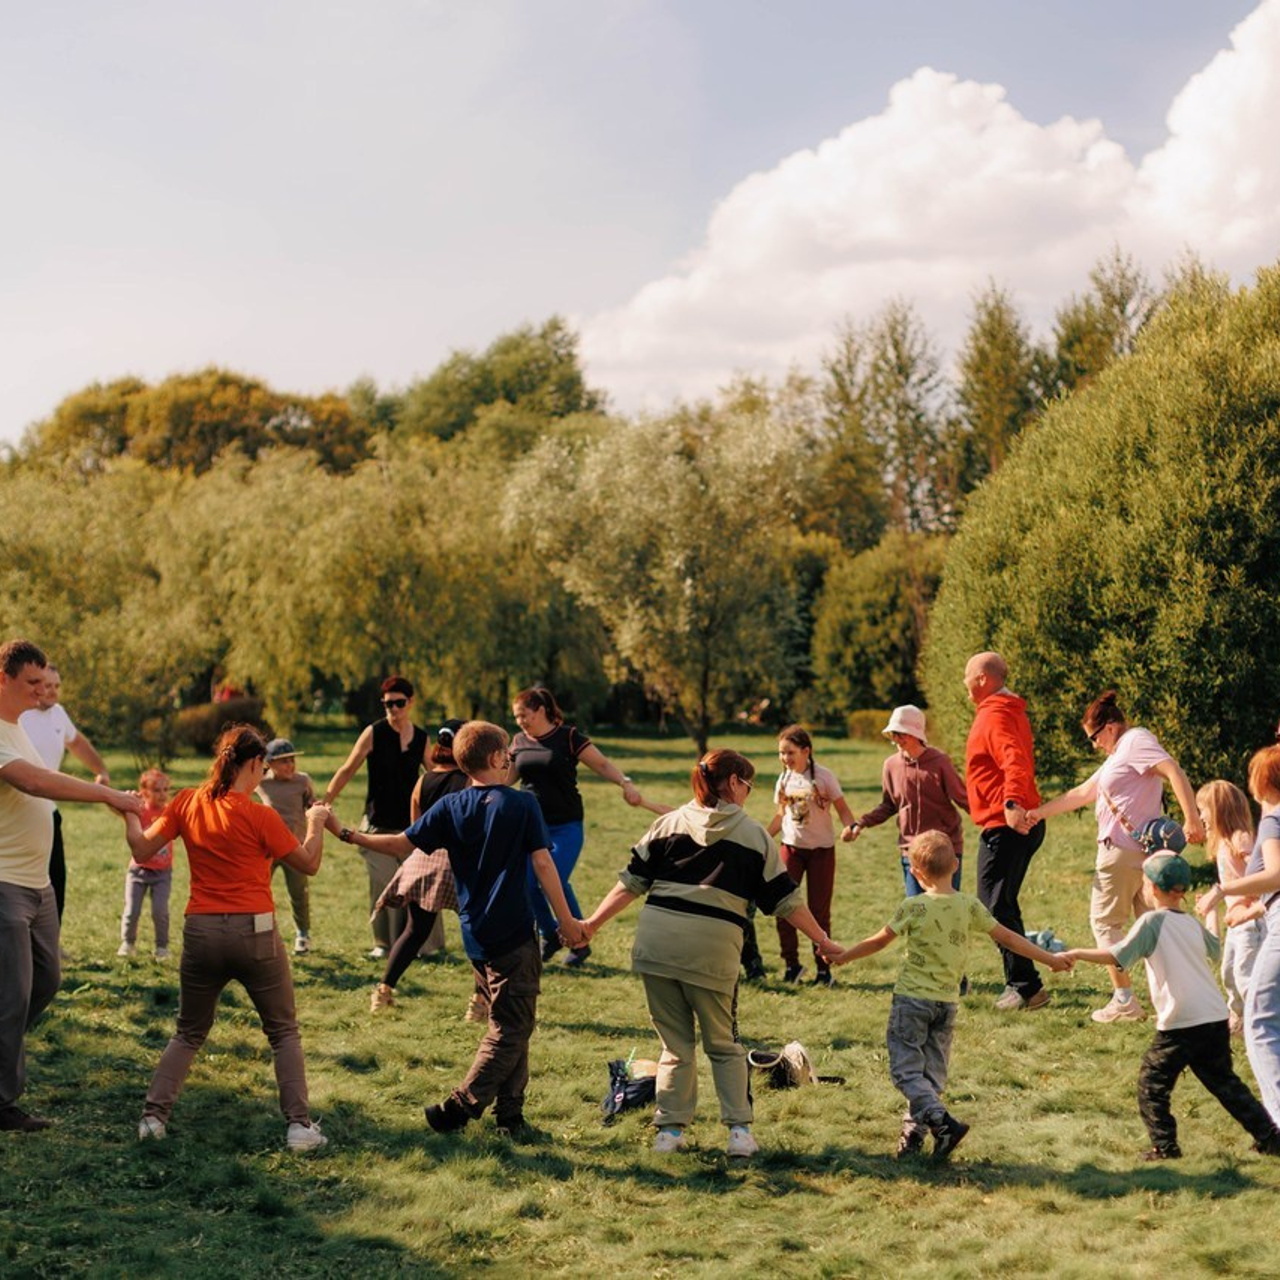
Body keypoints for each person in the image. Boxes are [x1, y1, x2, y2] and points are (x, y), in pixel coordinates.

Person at [580, 749, 841, 1159]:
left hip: (657, 946)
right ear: (734, 783)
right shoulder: (753, 835)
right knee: (724, 1045)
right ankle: (739, 1134)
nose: (749, 794)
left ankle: (669, 1134)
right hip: (712, 951)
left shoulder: (667, 824)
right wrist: (823, 941)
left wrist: (591, 924)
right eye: (748, 785)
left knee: (674, 1046)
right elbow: (786, 901)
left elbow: (630, 882)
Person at [334, 721, 583, 1137]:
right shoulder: (522, 804)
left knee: (511, 1021)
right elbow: (543, 864)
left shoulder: (451, 806)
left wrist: (346, 833)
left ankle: (511, 1118)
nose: (511, 758)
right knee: (511, 1028)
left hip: (475, 935)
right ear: (496, 758)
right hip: (512, 934)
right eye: (507, 753)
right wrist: (566, 923)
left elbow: (400, 844)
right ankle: (458, 1107)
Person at [124, 724, 329, 1151]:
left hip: (201, 931)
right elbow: (308, 864)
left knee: (188, 1033)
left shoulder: (187, 801)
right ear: (252, 764)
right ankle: (298, 1127)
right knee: (283, 1032)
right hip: (255, 931)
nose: (263, 776)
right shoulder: (260, 815)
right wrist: (316, 823)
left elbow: (142, 849)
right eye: (263, 768)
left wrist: (128, 810)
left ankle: (152, 1119)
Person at [832, 831, 1070, 1161]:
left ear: (915, 872)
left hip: (911, 1001)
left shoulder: (913, 907)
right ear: (956, 865)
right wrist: (1049, 959)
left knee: (906, 1072)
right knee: (931, 1075)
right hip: (946, 1003)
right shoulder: (969, 906)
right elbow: (1010, 939)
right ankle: (913, 1136)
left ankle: (943, 1123)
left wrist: (844, 956)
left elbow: (879, 941)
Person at [0, 638, 142, 1132]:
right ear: (3, 679)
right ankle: (2, 1103)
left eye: (46, 682)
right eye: (32, 682)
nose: (43, 691)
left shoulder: (18, 727)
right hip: (5, 882)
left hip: (37, 883)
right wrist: (108, 795)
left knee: (47, 980)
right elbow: (34, 783)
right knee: (13, 994)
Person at [1064, 851, 1280, 1161]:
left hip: (1182, 1022)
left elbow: (1116, 955)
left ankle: (1165, 1148)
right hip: (1214, 1017)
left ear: (1152, 887)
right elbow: (1214, 948)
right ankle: (1270, 1138)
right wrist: (1211, 911)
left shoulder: (1152, 922)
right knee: (1226, 1085)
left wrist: (1077, 953)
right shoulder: (1189, 922)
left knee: (1151, 1085)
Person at [1027, 690, 1204, 1024]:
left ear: (1110, 727)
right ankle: (1177, 999)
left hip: (1120, 854)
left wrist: (1191, 818)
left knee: (1106, 924)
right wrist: (1038, 814)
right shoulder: (1119, 757)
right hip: (1142, 855)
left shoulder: (1135, 741)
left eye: (1094, 738)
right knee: (1154, 928)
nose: (1094, 745)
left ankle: (1125, 1001)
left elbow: (1173, 770)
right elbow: (1082, 793)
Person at [508, 686, 640, 967]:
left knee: (552, 879)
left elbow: (601, 765)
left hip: (566, 824)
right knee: (528, 884)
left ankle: (579, 940)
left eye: (523, 715)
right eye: (516, 717)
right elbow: (505, 778)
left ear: (540, 710)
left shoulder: (567, 737)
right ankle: (551, 935)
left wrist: (625, 783)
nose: (520, 721)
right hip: (532, 825)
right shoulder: (518, 742)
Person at [963, 651, 1049, 1012]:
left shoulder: (996, 714)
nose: (965, 683)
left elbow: (1014, 760)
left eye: (967, 676)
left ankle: (1025, 987)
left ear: (983, 678)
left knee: (995, 906)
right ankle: (1026, 986)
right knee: (1000, 904)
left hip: (1008, 823)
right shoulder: (1005, 711)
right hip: (1009, 821)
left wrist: (1011, 803)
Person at [369, 719, 470, 1014]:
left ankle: (383, 991)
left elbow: (416, 828)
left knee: (415, 931)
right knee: (476, 932)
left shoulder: (423, 781)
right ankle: (479, 1002)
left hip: (423, 862)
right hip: (458, 864)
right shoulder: (470, 781)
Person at [323, 676, 427, 959]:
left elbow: (434, 774)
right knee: (383, 882)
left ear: (410, 702)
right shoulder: (374, 733)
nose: (393, 708)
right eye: (388, 704)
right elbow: (348, 769)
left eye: (399, 703)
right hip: (378, 822)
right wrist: (326, 801)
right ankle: (382, 943)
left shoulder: (421, 738)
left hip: (410, 826)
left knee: (413, 884)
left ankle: (414, 944)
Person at [19, 664, 111, 923]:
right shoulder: (18, 715)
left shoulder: (58, 714)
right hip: (16, 815)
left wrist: (101, 769)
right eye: (47, 685)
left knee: (55, 882)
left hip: (48, 814)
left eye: (57, 686)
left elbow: (76, 742)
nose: (53, 691)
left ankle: (50, 939)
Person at [845, 704, 969, 895]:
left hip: (944, 850)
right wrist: (861, 823)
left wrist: (992, 821)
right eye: (894, 734)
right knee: (916, 910)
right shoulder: (891, 765)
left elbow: (963, 797)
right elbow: (888, 805)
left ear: (916, 733)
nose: (897, 739)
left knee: (945, 909)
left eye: (902, 733)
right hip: (911, 851)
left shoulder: (940, 761)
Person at [765, 725, 855, 986]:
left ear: (806, 751)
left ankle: (823, 971)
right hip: (791, 849)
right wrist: (762, 838)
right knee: (783, 906)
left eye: (790, 752)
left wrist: (851, 828)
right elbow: (780, 816)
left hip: (821, 852)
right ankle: (792, 966)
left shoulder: (824, 777)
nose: (785, 758)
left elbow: (843, 810)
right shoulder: (783, 779)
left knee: (818, 912)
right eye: (781, 753)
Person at [1219, 745, 1280, 1127]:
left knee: (1259, 1019)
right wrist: (1255, 909)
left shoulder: (1273, 821)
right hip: (1270, 915)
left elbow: (1276, 876)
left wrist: (1223, 891)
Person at [1194, 781, 1262, 1035]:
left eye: (1203, 810)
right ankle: (1239, 1016)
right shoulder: (1222, 841)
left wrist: (1235, 895)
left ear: (1219, 809)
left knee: (1245, 973)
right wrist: (1212, 897)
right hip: (1236, 920)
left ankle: (1261, 1020)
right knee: (1229, 973)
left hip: (1251, 918)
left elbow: (1259, 872)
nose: (1201, 816)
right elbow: (1231, 879)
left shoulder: (1240, 838)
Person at [257, 738, 316, 955]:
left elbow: (312, 806)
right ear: (269, 763)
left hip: (294, 849)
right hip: (267, 850)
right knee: (259, 894)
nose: (290, 765)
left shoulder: (303, 781)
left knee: (299, 894)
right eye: (283, 761)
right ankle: (261, 935)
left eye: (292, 760)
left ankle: (303, 934)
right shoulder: (261, 782)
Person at [118, 768, 174, 960]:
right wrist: (125, 799)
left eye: (165, 789)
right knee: (132, 910)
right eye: (157, 790)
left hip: (162, 873)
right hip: (138, 871)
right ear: (145, 792)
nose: (162, 794)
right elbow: (118, 809)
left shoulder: (169, 812)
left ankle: (162, 947)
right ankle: (128, 943)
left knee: (160, 912)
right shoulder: (139, 810)